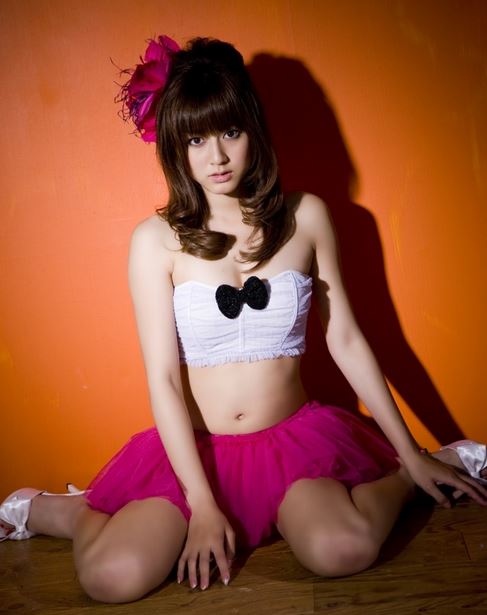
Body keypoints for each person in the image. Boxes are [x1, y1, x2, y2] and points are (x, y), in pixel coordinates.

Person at [1, 36, 487, 604]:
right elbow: (163, 379)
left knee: (344, 549)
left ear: (253, 128)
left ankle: (411, 477)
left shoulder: (307, 217)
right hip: (196, 453)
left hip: (293, 447)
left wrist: (410, 453)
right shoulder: (155, 241)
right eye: (196, 139)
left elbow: (346, 339)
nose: (217, 157)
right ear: (175, 146)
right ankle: (70, 511)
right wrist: (202, 506)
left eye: (230, 131)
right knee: (111, 579)